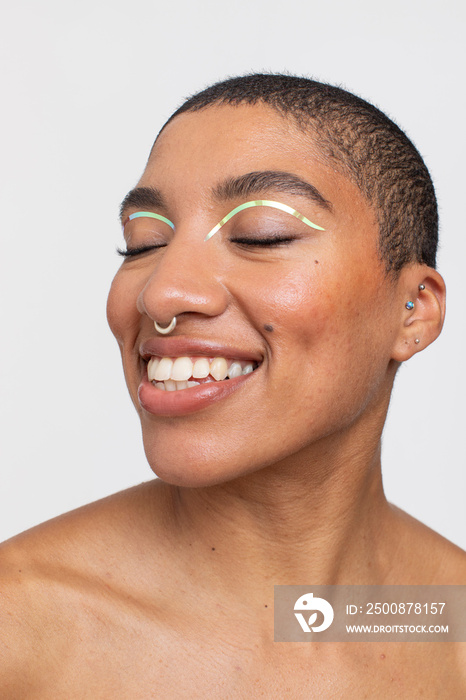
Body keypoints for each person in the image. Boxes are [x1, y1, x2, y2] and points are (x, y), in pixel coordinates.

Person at [1, 73, 465, 698]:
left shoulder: (444, 623)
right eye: (143, 242)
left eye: (260, 235)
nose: (161, 292)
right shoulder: (21, 629)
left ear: (413, 309)